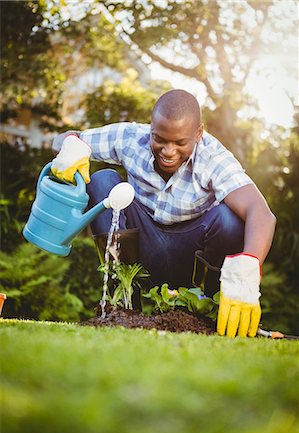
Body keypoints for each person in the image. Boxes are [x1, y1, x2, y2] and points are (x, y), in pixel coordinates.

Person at [51, 89, 276, 338]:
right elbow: (63, 139)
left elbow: (261, 213)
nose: (168, 151)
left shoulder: (213, 158)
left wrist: (248, 266)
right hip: (141, 251)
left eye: (180, 143)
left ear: (198, 134)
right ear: (151, 128)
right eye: (160, 140)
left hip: (191, 256)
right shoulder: (130, 138)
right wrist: (71, 146)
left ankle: (208, 313)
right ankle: (123, 307)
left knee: (230, 218)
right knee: (103, 181)